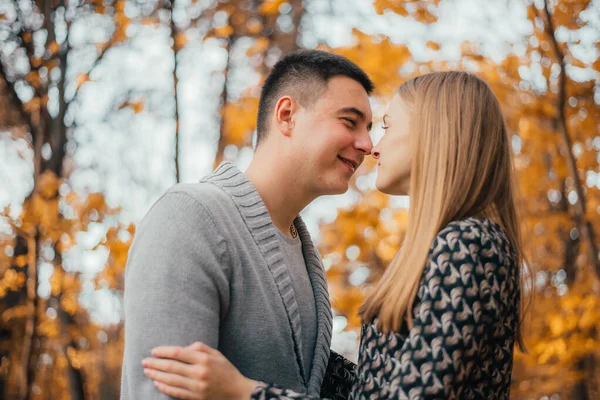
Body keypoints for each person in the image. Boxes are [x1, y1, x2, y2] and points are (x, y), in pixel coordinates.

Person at [142, 71, 529, 400]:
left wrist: (246, 391)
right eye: (353, 124)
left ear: (437, 134)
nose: (372, 146)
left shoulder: (469, 243)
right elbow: (379, 389)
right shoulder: (448, 243)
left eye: (388, 126)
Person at [120, 49, 375, 399]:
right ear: (287, 115)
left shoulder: (306, 255)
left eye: (370, 129)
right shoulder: (191, 217)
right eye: (350, 121)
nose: (367, 144)